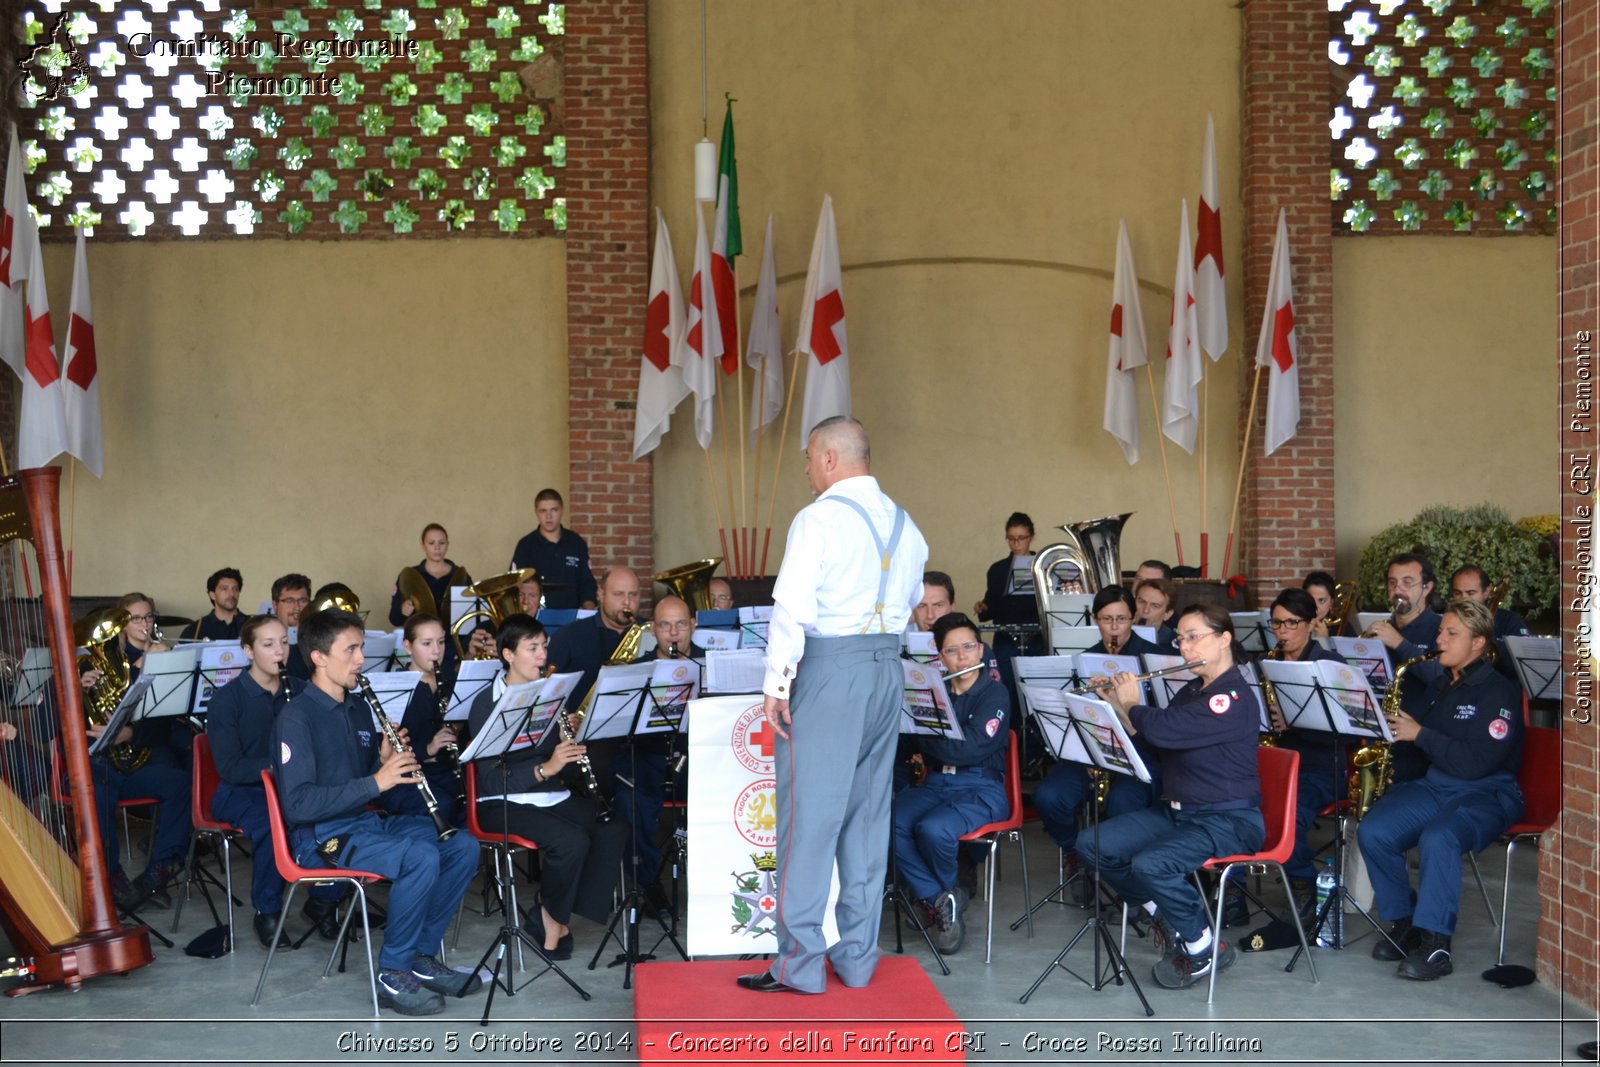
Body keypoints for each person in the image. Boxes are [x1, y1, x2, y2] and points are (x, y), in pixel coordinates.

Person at [737, 416, 928, 995]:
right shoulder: (906, 523)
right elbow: (915, 600)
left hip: (830, 669)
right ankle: (857, 958)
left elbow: (791, 609)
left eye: (806, 459)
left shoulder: (817, 519)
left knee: (807, 822)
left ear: (827, 458)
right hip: (886, 670)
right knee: (868, 819)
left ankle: (797, 964)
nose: (805, 471)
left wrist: (776, 684)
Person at [271, 608, 482, 1016]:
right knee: (419, 856)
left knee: (461, 846)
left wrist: (384, 761)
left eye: (361, 648)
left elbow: (364, 782)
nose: (361, 659)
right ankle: (393, 972)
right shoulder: (296, 717)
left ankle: (420, 957)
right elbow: (298, 805)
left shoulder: (357, 707)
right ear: (318, 657)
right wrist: (378, 781)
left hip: (364, 825)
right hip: (320, 839)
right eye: (350, 649)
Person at [1075, 604, 1264, 991]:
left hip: (1227, 819)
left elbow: (1162, 729)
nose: (1185, 648)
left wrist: (1132, 701)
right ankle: (1165, 916)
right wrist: (1114, 703)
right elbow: (1154, 740)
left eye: (1195, 637)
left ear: (1225, 638)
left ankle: (1204, 946)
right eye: (1181, 639)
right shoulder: (1195, 690)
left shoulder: (1229, 697)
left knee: (1151, 864)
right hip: (1179, 811)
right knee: (1094, 843)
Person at [1359, 599, 1524, 981]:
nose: (1440, 639)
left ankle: (1436, 944)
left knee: (1439, 837)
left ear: (1479, 643)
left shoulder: (1499, 692)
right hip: (1438, 786)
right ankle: (1405, 924)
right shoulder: (1441, 683)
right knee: (1374, 830)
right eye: (1440, 631)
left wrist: (1419, 733)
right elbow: (1428, 746)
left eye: (1452, 633)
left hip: (1487, 792)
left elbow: (1476, 762)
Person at [467, 613, 628, 960]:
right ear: (508, 654)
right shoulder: (486, 704)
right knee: (571, 841)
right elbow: (491, 779)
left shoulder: (550, 695)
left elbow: (555, 759)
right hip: (500, 802)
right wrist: (546, 767)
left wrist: (564, 736)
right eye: (533, 648)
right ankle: (556, 921)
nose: (543, 656)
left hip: (548, 794)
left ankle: (550, 912)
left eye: (544, 647)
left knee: (612, 828)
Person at [891, 613, 1010, 954]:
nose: (963, 657)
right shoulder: (932, 691)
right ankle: (941, 899)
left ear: (981, 648)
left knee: (933, 829)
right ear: (940, 657)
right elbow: (909, 743)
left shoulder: (995, 693)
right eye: (953, 650)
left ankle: (939, 900)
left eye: (969, 647)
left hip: (981, 788)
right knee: (890, 821)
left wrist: (925, 736)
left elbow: (969, 749)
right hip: (936, 783)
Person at [207, 615, 328, 947]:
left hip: (294, 788)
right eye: (268, 644)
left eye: (283, 643)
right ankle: (268, 911)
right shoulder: (227, 700)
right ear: (248, 651)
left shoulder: (302, 690)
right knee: (271, 823)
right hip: (243, 791)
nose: (280, 651)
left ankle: (324, 902)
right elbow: (230, 767)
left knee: (338, 814)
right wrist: (282, 766)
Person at [1032, 585, 1165, 885]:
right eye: (1107, 620)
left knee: (1123, 802)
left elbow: (1163, 722)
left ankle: (1125, 875)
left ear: (1134, 618)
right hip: (1093, 753)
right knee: (1049, 796)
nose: (1115, 627)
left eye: (1122, 619)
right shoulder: (1082, 661)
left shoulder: (1155, 660)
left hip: (1139, 757)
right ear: (1095, 619)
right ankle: (1074, 854)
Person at [84, 592, 190, 912]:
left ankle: (161, 868)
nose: (145, 624)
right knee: (98, 789)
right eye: (136, 618)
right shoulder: (100, 659)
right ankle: (112, 874)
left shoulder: (164, 655)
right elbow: (86, 717)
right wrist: (82, 687)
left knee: (180, 782)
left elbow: (164, 724)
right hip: (107, 761)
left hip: (142, 752)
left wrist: (131, 732)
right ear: (120, 625)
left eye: (149, 617)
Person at [1262, 588, 1348, 902]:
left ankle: (1304, 886)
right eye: (1276, 624)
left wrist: (1294, 722)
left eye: (1291, 623)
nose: (1282, 632)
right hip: (1276, 763)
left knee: (1290, 813)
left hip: (1320, 769)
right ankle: (1233, 891)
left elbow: (1346, 732)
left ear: (1311, 624)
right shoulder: (1267, 663)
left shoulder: (1330, 665)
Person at [615, 595, 695, 906]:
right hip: (647, 757)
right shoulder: (635, 671)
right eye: (665, 625)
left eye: (681, 625)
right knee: (627, 799)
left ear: (693, 626)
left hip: (696, 758)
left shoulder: (710, 664)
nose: (673, 633)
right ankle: (647, 883)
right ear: (652, 630)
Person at [394, 613, 464, 825]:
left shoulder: (453, 685)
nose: (436, 650)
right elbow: (387, 748)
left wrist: (461, 727)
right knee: (442, 807)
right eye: (426, 643)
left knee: (474, 804)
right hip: (408, 778)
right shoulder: (395, 689)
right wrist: (429, 747)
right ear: (408, 646)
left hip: (447, 771)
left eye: (441, 642)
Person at [547, 567, 641, 713]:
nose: (627, 602)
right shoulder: (568, 635)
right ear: (600, 594)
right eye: (618, 594)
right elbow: (548, 691)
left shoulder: (650, 631)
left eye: (633, 595)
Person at [1365, 553, 1443, 714]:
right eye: (1392, 583)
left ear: (1426, 588)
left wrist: (1399, 643)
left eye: (1407, 583)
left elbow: (1440, 677)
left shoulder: (1441, 628)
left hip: (1419, 728)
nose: (1397, 589)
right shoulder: (1380, 629)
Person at [510, 489, 597, 611]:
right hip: (535, 621)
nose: (548, 516)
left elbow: (587, 583)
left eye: (554, 510)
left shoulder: (577, 543)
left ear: (562, 511)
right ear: (536, 512)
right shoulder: (525, 545)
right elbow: (515, 586)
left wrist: (588, 613)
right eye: (543, 511)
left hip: (572, 618)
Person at [389, 524, 474, 627]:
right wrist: (402, 609)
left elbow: (471, 618)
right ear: (422, 545)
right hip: (421, 640)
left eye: (442, 543)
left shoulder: (462, 577)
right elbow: (394, 619)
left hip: (453, 640)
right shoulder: (408, 577)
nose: (437, 547)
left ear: (447, 545)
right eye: (431, 543)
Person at [1448, 564, 1530, 641]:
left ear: (1486, 592)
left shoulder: (1510, 621)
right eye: (1457, 593)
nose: (1464, 599)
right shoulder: (1446, 622)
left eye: (1471, 593)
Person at [180, 568, 244, 641]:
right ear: (212, 595)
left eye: (235, 589)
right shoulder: (194, 630)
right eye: (224, 589)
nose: (232, 594)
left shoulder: (253, 626)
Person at [271, 574, 314, 681]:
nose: (297, 608)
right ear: (275, 606)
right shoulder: (265, 643)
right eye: (289, 601)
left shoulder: (318, 640)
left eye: (303, 601)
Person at [1134, 578, 1179, 651]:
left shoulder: (1175, 646)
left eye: (1155, 606)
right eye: (1142, 602)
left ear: (1167, 614)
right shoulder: (1118, 635)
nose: (1146, 610)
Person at [1302, 570, 1340, 639]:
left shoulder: (1343, 627)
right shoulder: (1296, 623)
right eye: (1311, 600)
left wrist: (1325, 641)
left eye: (1322, 600)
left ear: (1331, 602)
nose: (1315, 607)